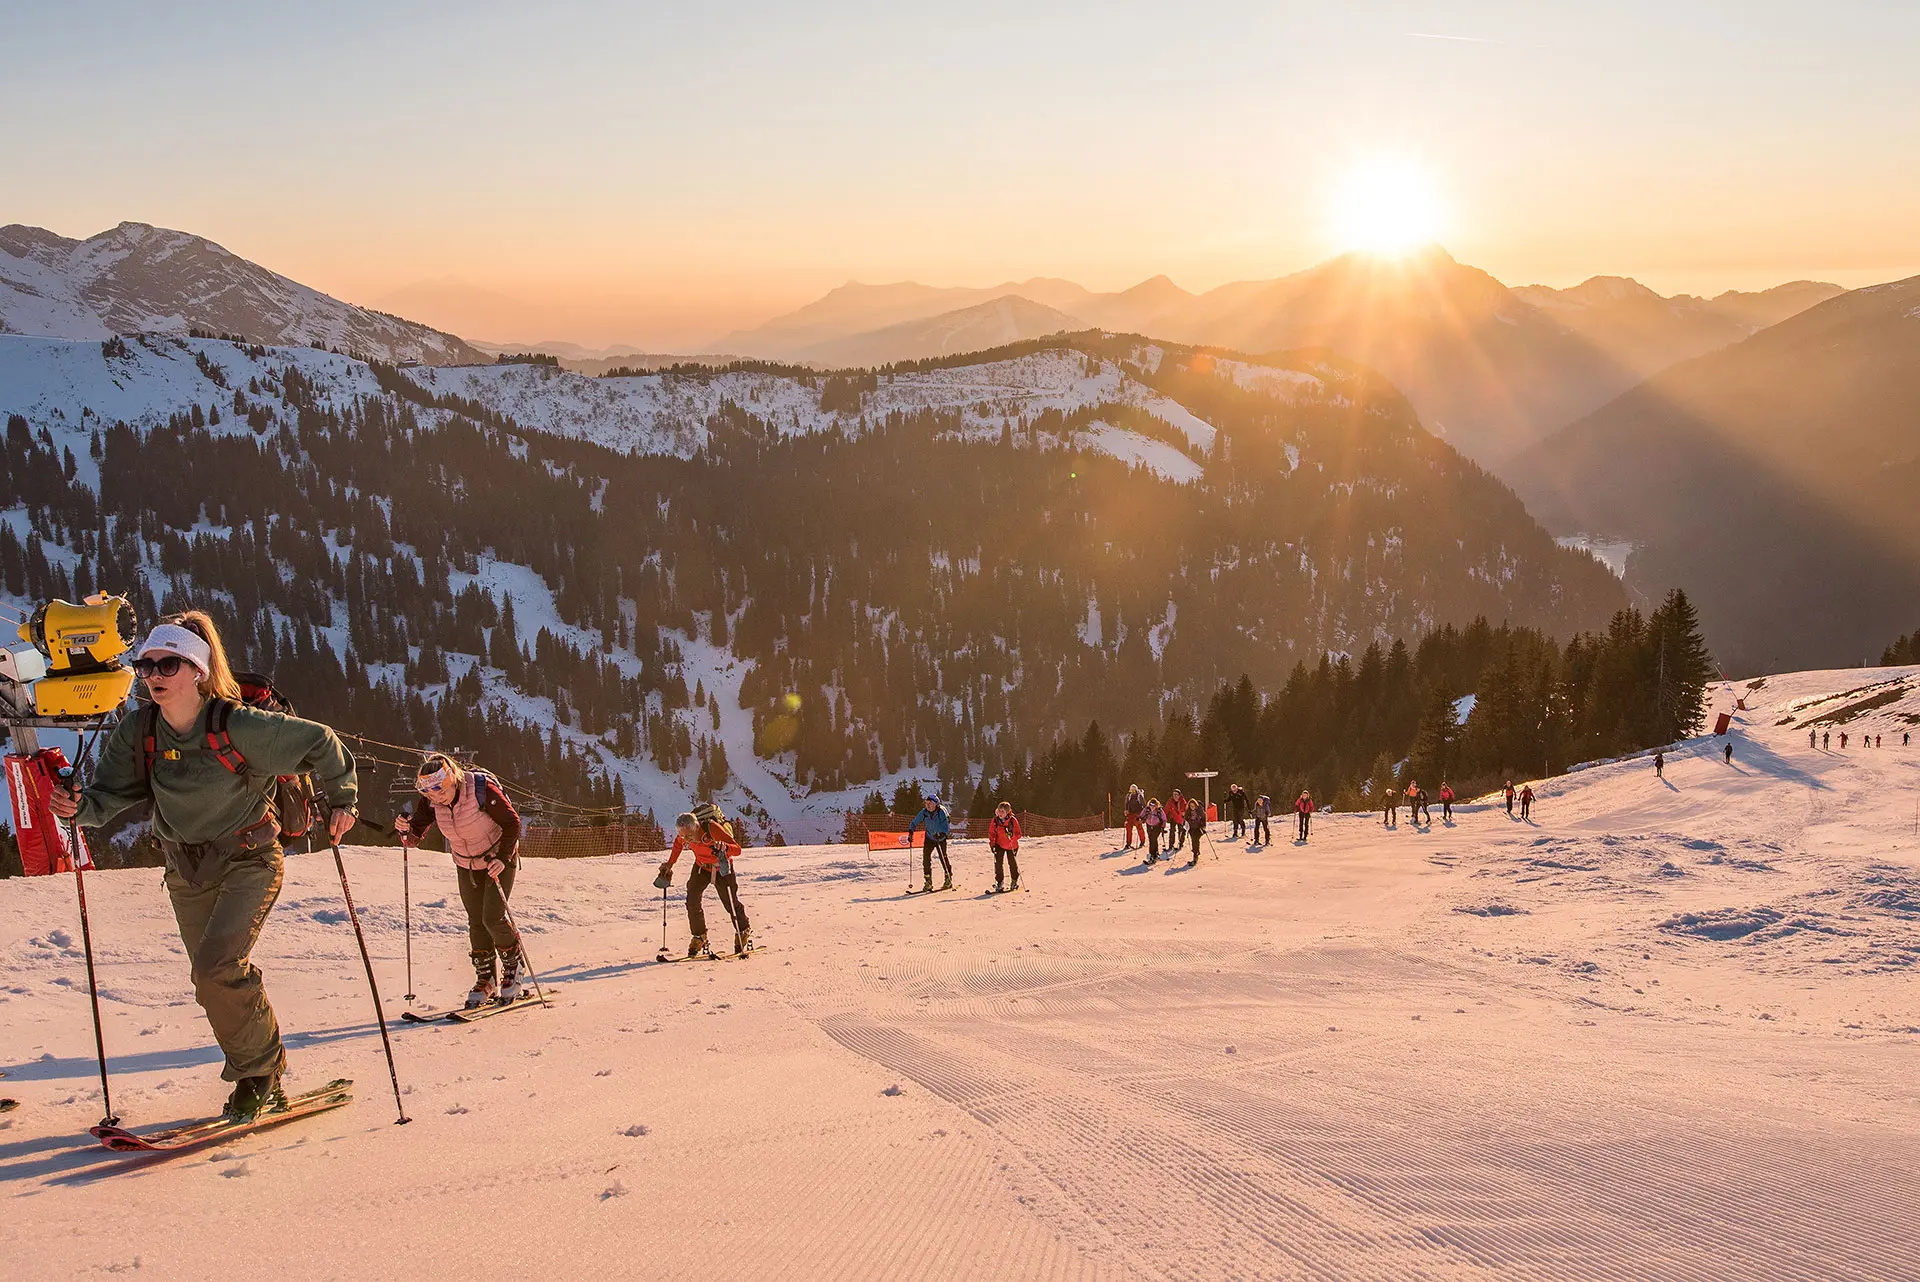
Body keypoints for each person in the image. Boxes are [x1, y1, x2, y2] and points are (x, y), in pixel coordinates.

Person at [50, 612, 358, 1118]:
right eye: (145, 665)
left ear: (196, 670)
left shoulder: (237, 724)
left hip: (248, 859)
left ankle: (257, 1075)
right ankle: (262, 1071)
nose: (153, 675)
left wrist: (343, 797)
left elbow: (321, 742)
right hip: (184, 869)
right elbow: (109, 794)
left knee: (218, 967)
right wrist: (77, 807)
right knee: (208, 978)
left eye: (167, 664)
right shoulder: (140, 729)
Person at [397, 753, 524, 1008]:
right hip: (466, 864)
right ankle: (485, 978)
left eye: (440, 790)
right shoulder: (431, 802)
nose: (436, 797)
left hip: (498, 858)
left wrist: (503, 857)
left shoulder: (479, 789)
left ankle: (514, 967)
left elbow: (512, 823)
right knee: (476, 921)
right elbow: (413, 837)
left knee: (492, 917)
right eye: (430, 793)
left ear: (452, 778)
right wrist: (403, 829)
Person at [660, 810, 751, 955]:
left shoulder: (711, 829)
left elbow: (737, 850)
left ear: (696, 827)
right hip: (701, 867)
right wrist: (670, 864)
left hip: (721, 866)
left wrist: (725, 847)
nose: (687, 840)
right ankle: (699, 936)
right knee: (692, 901)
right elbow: (678, 845)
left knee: (730, 902)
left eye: (689, 835)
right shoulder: (684, 834)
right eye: (683, 836)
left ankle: (743, 930)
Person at [907, 793, 952, 892]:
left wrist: (942, 834)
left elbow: (946, 826)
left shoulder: (941, 812)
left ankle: (948, 878)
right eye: (926, 803)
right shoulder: (924, 812)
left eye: (930, 803)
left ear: (936, 804)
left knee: (943, 857)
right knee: (926, 859)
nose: (927, 805)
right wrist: (911, 832)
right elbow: (914, 822)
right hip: (930, 837)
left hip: (940, 838)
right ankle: (928, 882)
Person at [988, 801, 1022, 891]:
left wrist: (1012, 836)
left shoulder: (1012, 820)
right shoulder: (995, 821)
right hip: (999, 844)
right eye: (999, 811)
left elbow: (1019, 834)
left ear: (1007, 812)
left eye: (1002, 811)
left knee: (1012, 863)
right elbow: (992, 833)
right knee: (998, 863)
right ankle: (999, 882)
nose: (1000, 813)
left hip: (1012, 845)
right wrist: (992, 844)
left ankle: (1014, 880)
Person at [1184, 795, 1207, 863]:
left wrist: (1203, 826)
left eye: (1193, 806)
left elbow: (1203, 817)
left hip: (1198, 828)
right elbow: (1185, 819)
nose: (1192, 807)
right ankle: (1196, 851)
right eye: (1191, 806)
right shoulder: (1188, 811)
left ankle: (1195, 853)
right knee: (1193, 840)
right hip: (1191, 828)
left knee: (1195, 840)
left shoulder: (1199, 810)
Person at [1143, 796, 1166, 863]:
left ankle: (1152, 855)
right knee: (1151, 839)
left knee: (1153, 839)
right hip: (1149, 825)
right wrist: (1139, 818)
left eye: (1153, 805)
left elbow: (1164, 818)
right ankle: (1155, 854)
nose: (1152, 807)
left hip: (1157, 826)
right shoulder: (1147, 809)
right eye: (1150, 805)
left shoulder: (1159, 810)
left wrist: (1163, 826)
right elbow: (1142, 814)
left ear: (1156, 805)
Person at [1123, 785, 1146, 850]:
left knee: (1139, 828)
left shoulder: (1139, 796)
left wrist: (1143, 816)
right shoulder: (1128, 796)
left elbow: (1144, 805)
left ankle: (1142, 842)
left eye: (1134, 790)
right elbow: (1126, 804)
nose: (1133, 792)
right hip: (1130, 814)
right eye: (1131, 790)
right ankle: (1128, 843)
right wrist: (1126, 810)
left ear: (1136, 790)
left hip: (1138, 814)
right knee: (1128, 828)